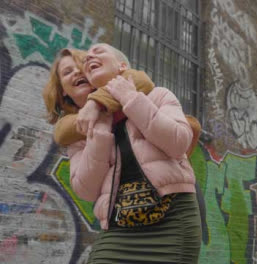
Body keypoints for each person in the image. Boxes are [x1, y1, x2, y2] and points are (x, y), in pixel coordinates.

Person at [43, 46, 201, 263]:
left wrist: (129, 98)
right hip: (118, 227)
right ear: (64, 92)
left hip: (172, 219)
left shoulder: (157, 95)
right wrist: (98, 128)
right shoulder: (76, 135)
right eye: (68, 72)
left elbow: (178, 143)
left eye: (81, 66)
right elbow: (86, 191)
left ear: (123, 67)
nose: (79, 72)